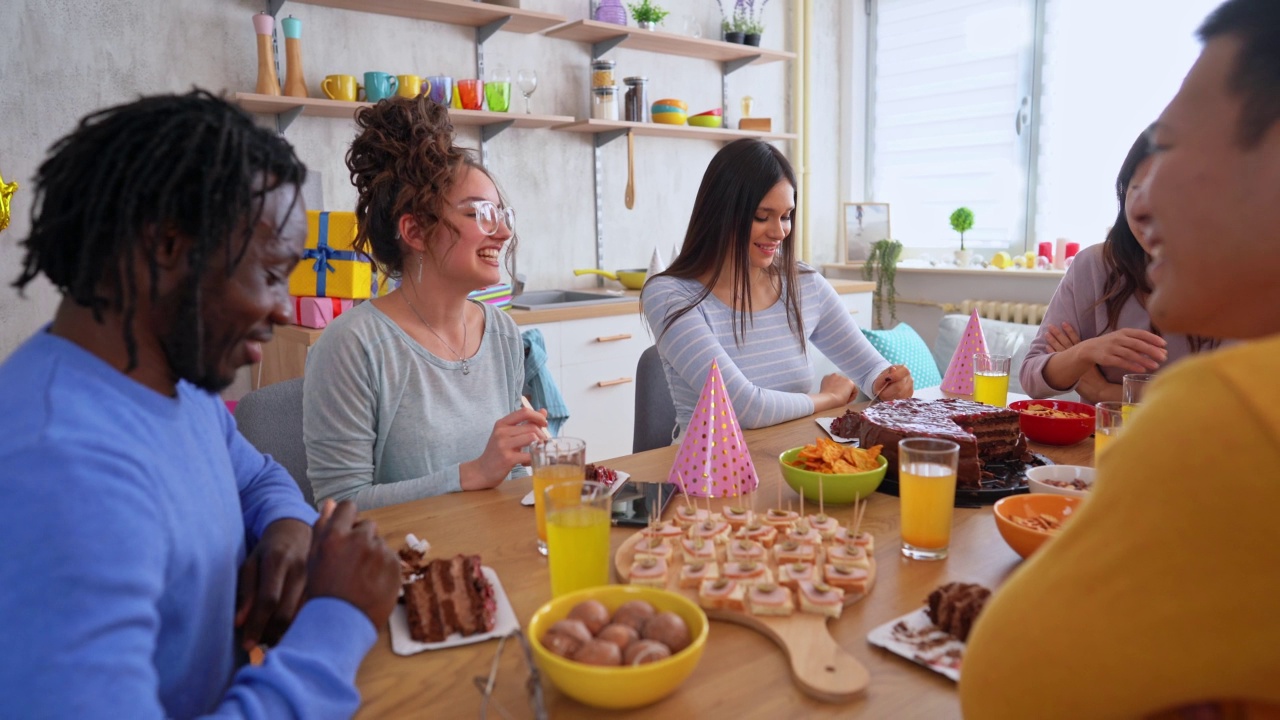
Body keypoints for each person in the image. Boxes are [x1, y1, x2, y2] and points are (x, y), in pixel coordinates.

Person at [0, 91, 401, 718]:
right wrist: (338, 620)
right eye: (270, 272)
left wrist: (288, 533)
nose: (279, 306)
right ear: (167, 243)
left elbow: (260, 477)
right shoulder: (59, 472)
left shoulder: (171, 386)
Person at [962, 1, 1280, 717]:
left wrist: (1103, 380)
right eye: (1140, 169)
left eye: (1175, 147)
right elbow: (1041, 369)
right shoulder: (1098, 270)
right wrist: (1087, 370)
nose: (1148, 195)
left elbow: (1014, 675)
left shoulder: (1229, 413)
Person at [304, 96, 546, 510]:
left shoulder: (502, 332)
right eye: (480, 214)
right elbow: (340, 506)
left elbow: (509, 476)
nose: (503, 233)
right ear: (414, 232)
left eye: (503, 214)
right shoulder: (352, 345)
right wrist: (471, 473)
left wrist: (536, 462)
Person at [641, 139, 912, 436]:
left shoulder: (803, 282)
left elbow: (869, 367)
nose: (779, 231)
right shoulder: (670, 295)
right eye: (762, 216)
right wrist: (829, 399)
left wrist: (886, 381)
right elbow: (744, 409)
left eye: (786, 216)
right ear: (721, 211)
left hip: (785, 458)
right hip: (707, 472)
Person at [1019, 127, 1219, 403]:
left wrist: (1105, 392)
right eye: (1139, 191)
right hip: (1101, 441)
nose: (1151, 214)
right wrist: (1084, 352)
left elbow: (1225, 402)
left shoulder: (1233, 279)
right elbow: (1032, 377)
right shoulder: (1094, 265)